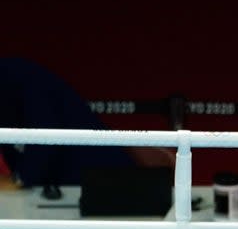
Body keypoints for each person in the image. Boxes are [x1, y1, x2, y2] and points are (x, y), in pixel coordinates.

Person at [0, 57, 170, 189]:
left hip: (103, 183)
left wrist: (20, 179)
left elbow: (46, 135)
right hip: (57, 191)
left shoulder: (22, 77)